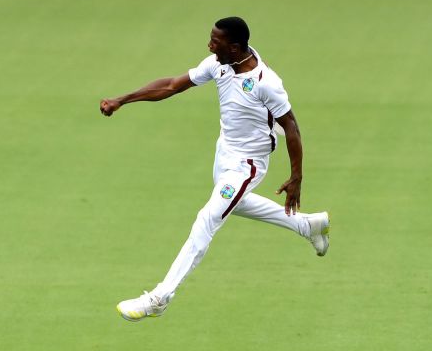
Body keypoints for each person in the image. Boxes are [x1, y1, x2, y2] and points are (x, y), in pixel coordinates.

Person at [100, 17, 330, 322]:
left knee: (208, 217)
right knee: (234, 204)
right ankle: (307, 225)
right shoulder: (218, 64)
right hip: (224, 154)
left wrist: (296, 177)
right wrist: (123, 100)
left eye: (215, 42)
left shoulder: (266, 82)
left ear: (234, 47)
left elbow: (291, 127)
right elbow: (171, 85)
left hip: (248, 164)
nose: (209, 45)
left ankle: (160, 297)